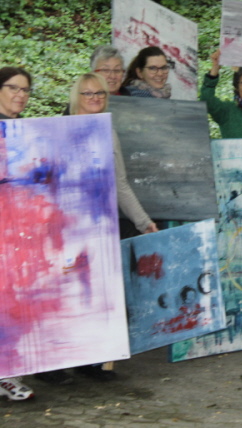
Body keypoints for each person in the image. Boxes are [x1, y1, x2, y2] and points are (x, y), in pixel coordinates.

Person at [34, 72, 158, 386]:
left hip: (99, 226)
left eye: (100, 93)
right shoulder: (55, 131)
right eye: (88, 93)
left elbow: (120, 184)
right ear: (76, 97)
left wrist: (143, 221)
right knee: (63, 294)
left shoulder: (108, 132)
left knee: (93, 294)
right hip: (63, 227)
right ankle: (50, 364)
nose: (95, 98)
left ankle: (89, 361)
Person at [0, 66, 36, 401]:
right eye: (13, 88)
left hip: (17, 231)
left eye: (25, 90)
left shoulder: (26, 131)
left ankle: (8, 374)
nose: (20, 95)